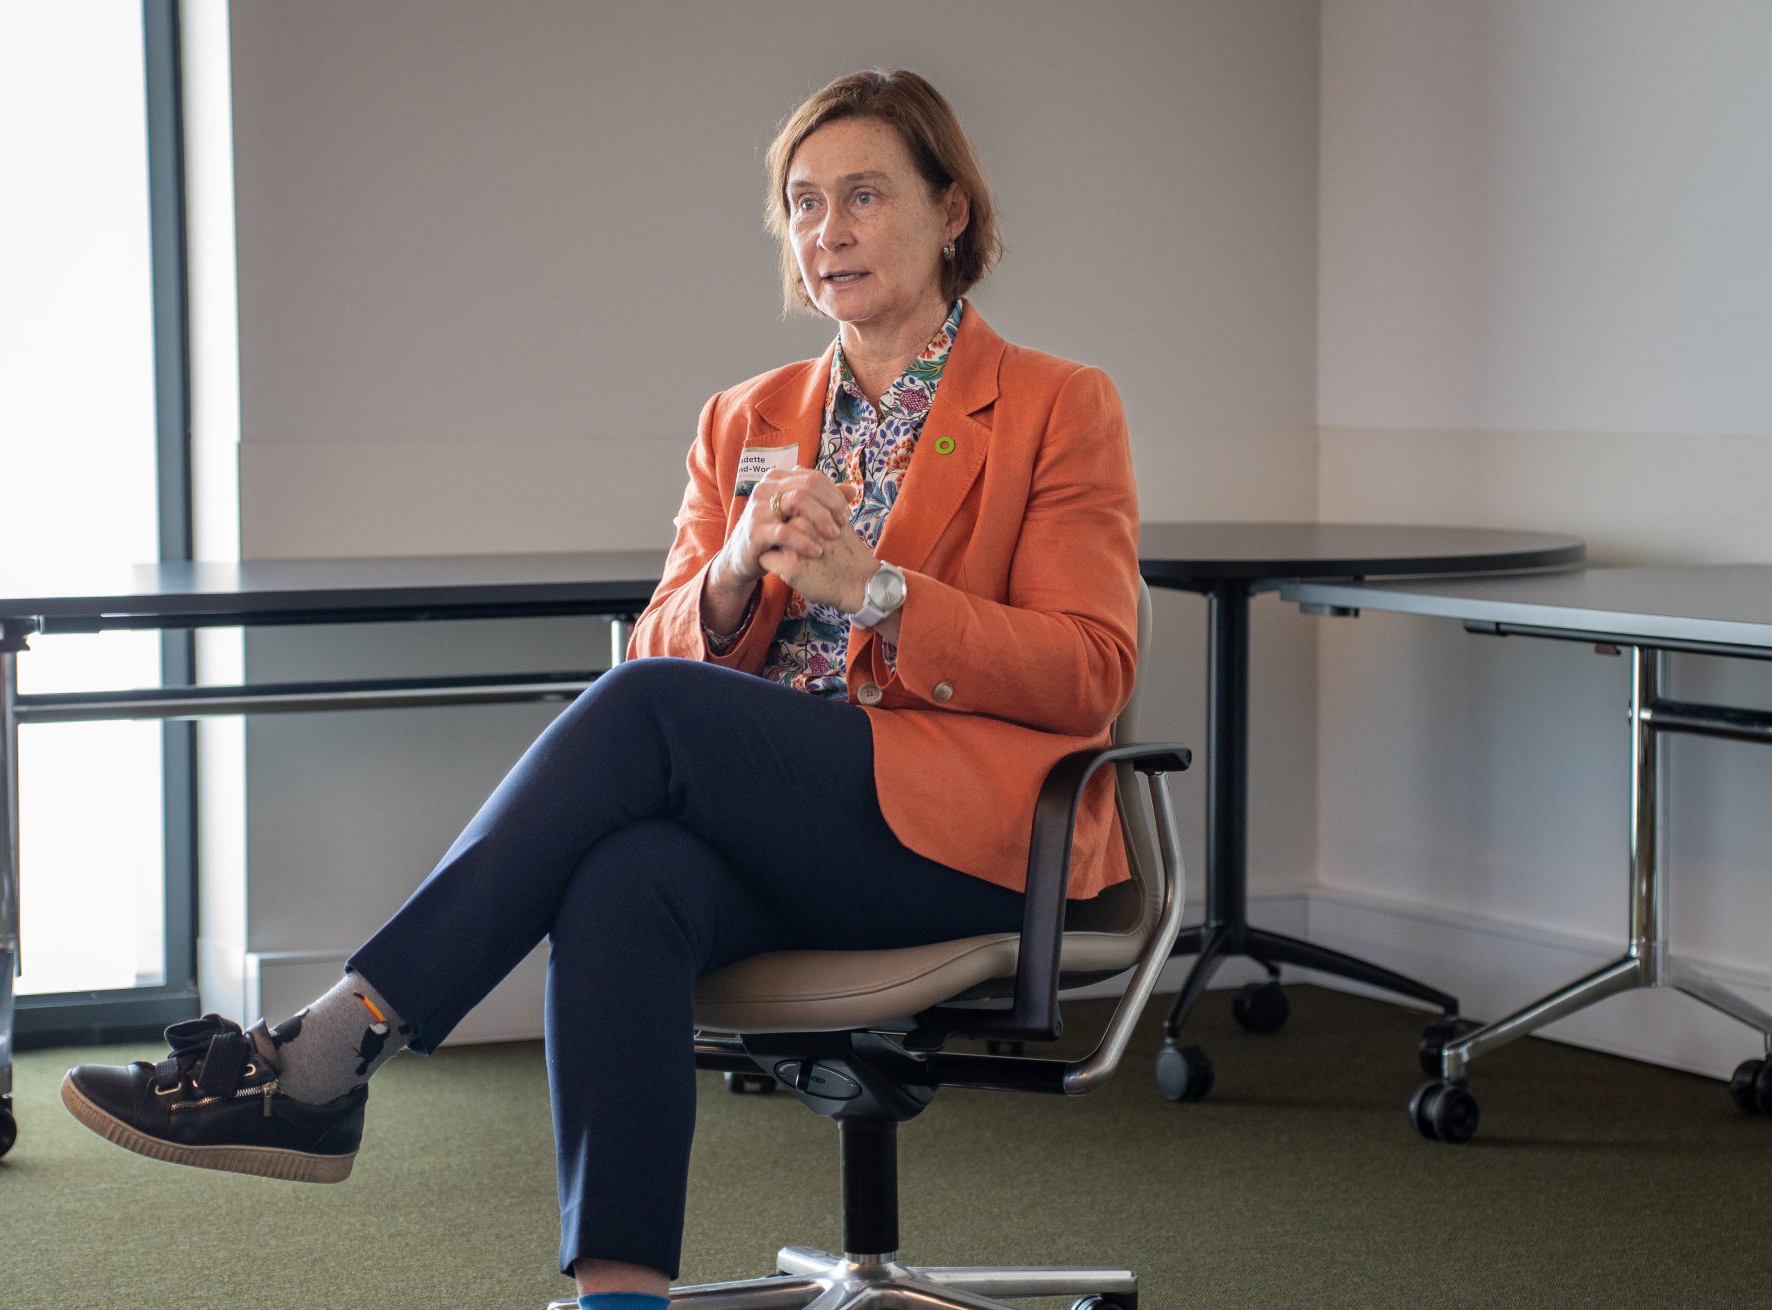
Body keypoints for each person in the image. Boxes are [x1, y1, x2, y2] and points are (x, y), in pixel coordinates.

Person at [60, 68, 1141, 1309]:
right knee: (620, 878)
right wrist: (735, 574)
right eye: (802, 203)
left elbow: (1090, 669)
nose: (827, 231)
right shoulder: (746, 418)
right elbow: (664, 647)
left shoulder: (1059, 404)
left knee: (640, 713)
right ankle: (616, 1298)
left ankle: (333, 1046)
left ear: (952, 211)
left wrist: (880, 590)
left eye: (863, 196)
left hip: (958, 832)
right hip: (773, 824)